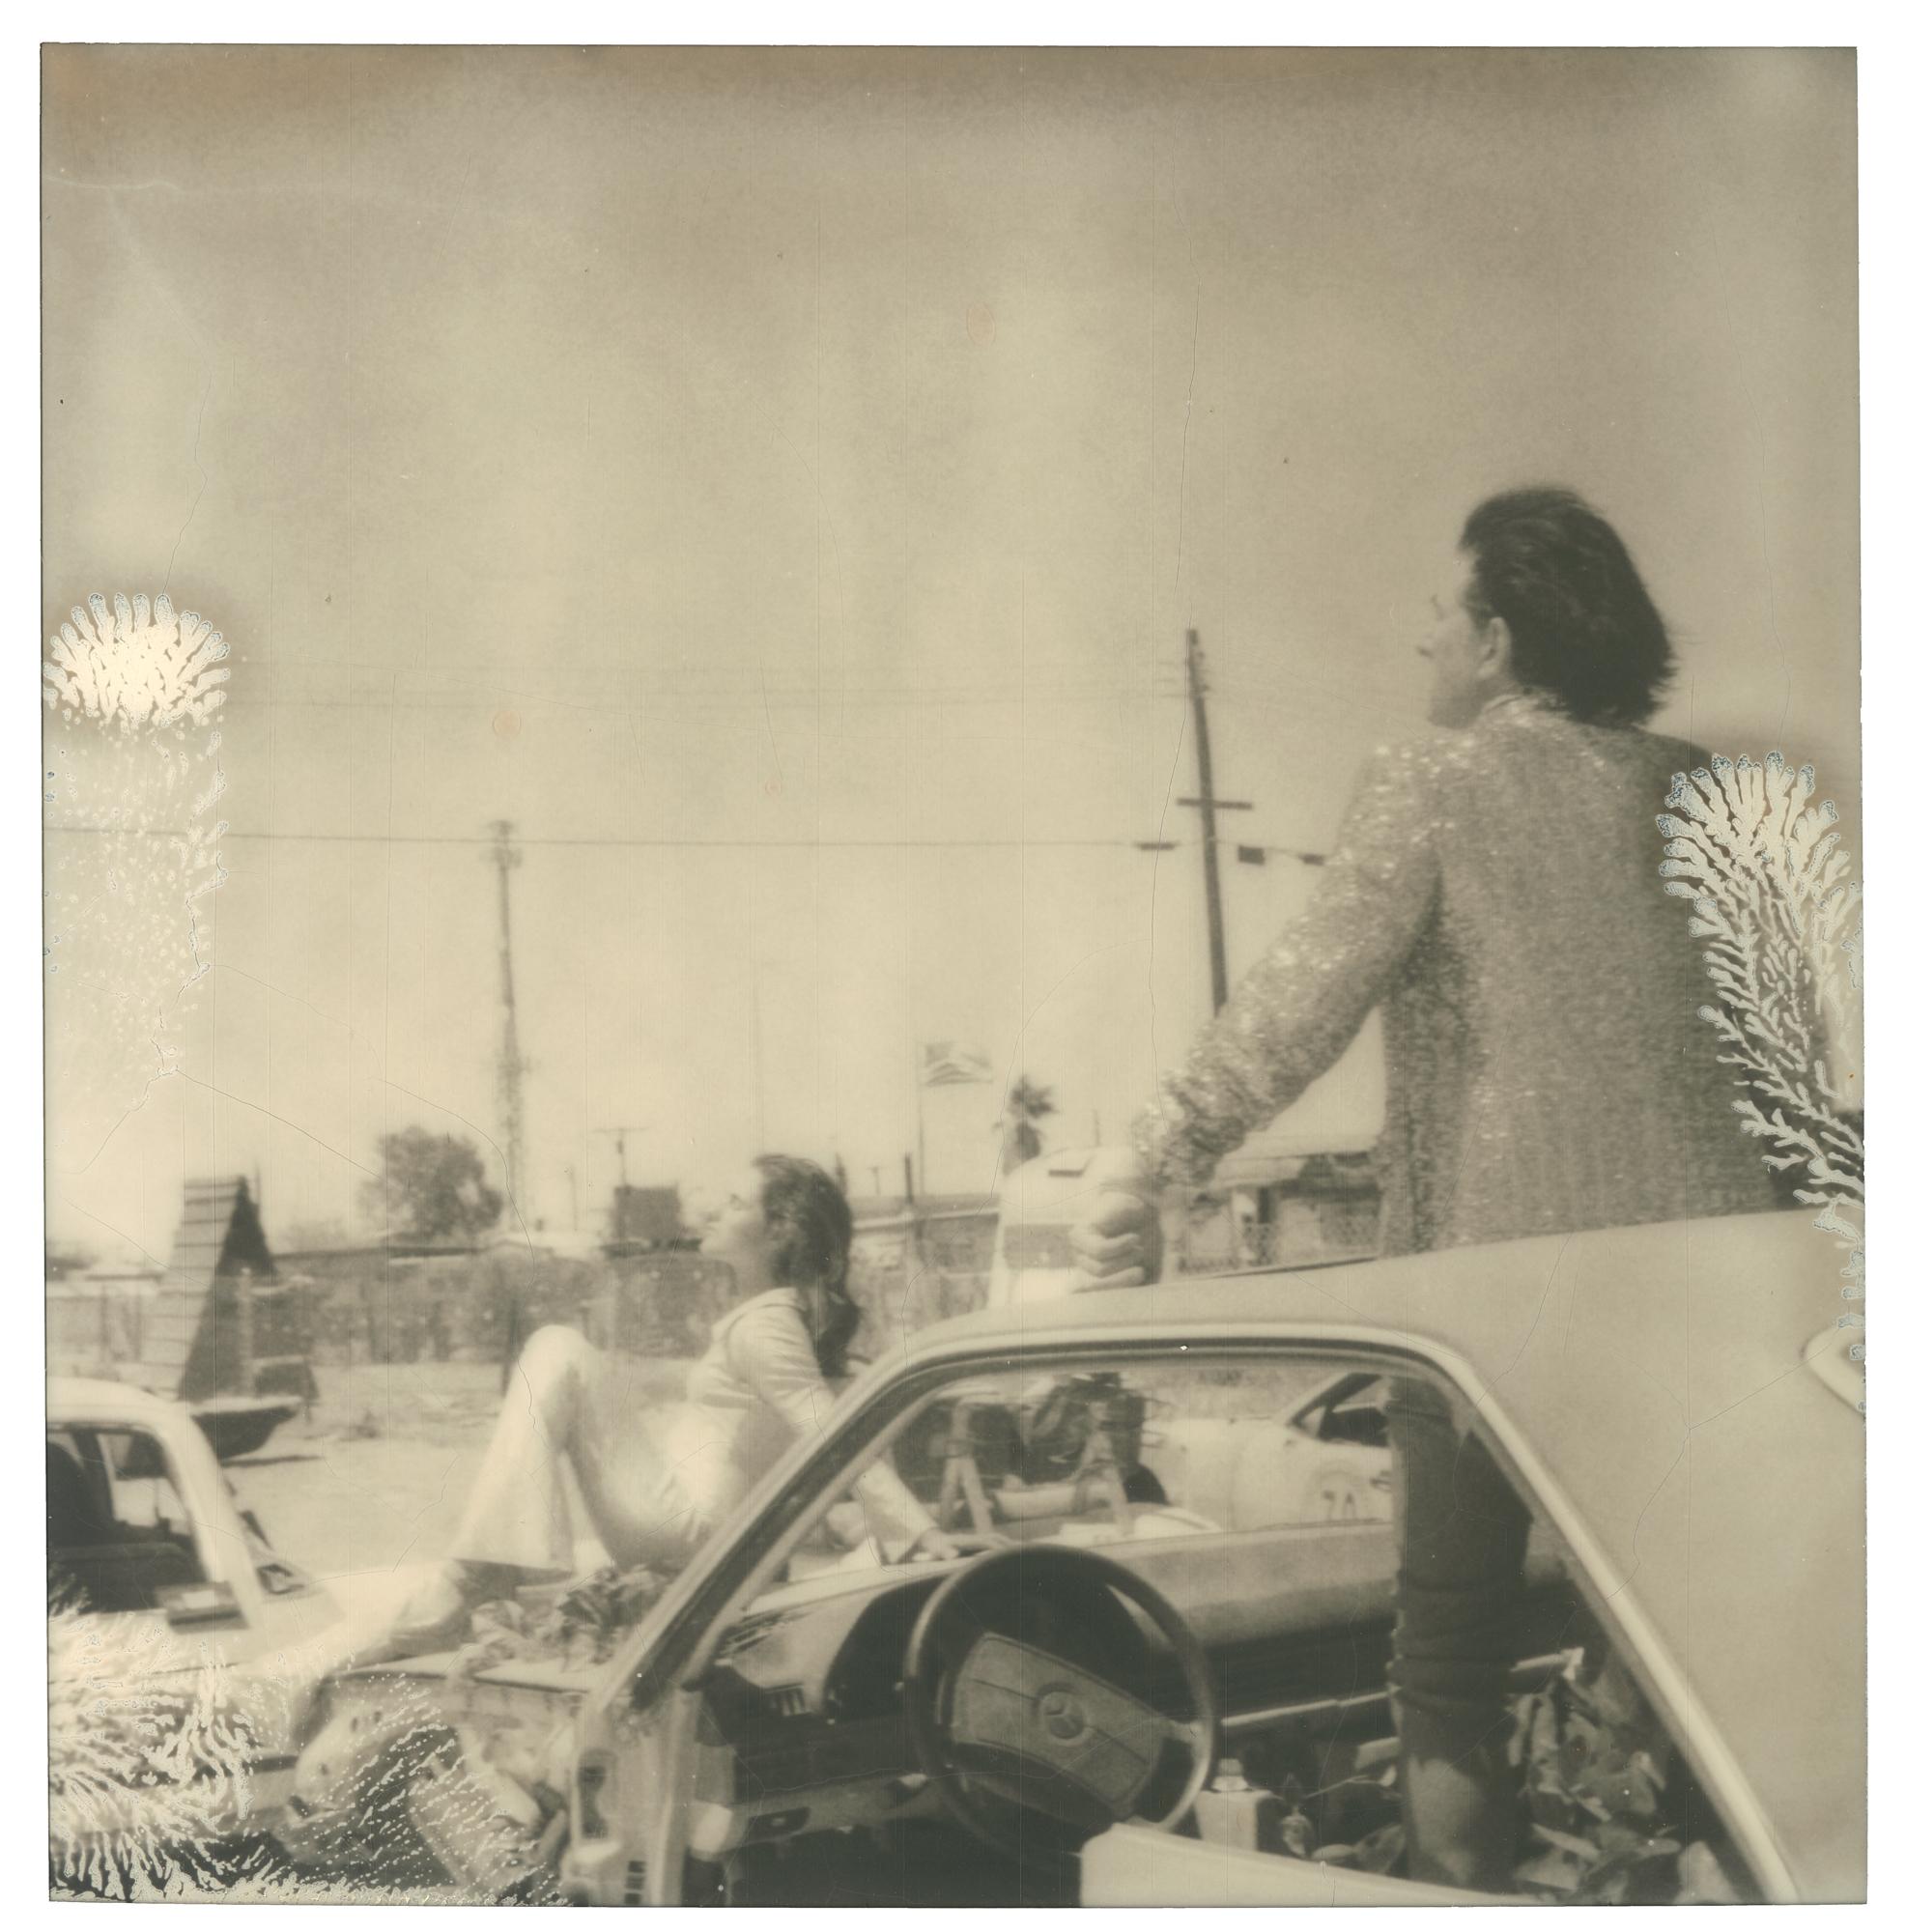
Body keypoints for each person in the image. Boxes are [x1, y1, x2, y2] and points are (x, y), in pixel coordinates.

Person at [1072, 487, 1775, 1891]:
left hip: (1488, 1312)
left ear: (1500, 640)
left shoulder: (1433, 780)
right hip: (1711, 1306)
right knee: (1705, 1659)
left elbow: (1299, 1001)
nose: (1423, 644)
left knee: (1448, 1649)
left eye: (1439, 619)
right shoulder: (1705, 794)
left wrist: (1146, 1156)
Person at [391, 1154, 960, 1654]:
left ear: (778, 1234)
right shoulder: (770, 1321)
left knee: (555, 1347)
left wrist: (918, 1535)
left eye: (735, 1202)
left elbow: (830, 1431)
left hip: (686, 1531)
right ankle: (488, 1567)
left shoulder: (766, 1326)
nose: (713, 1207)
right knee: (564, 1356)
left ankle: (476, 1576)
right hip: (696, 1532)